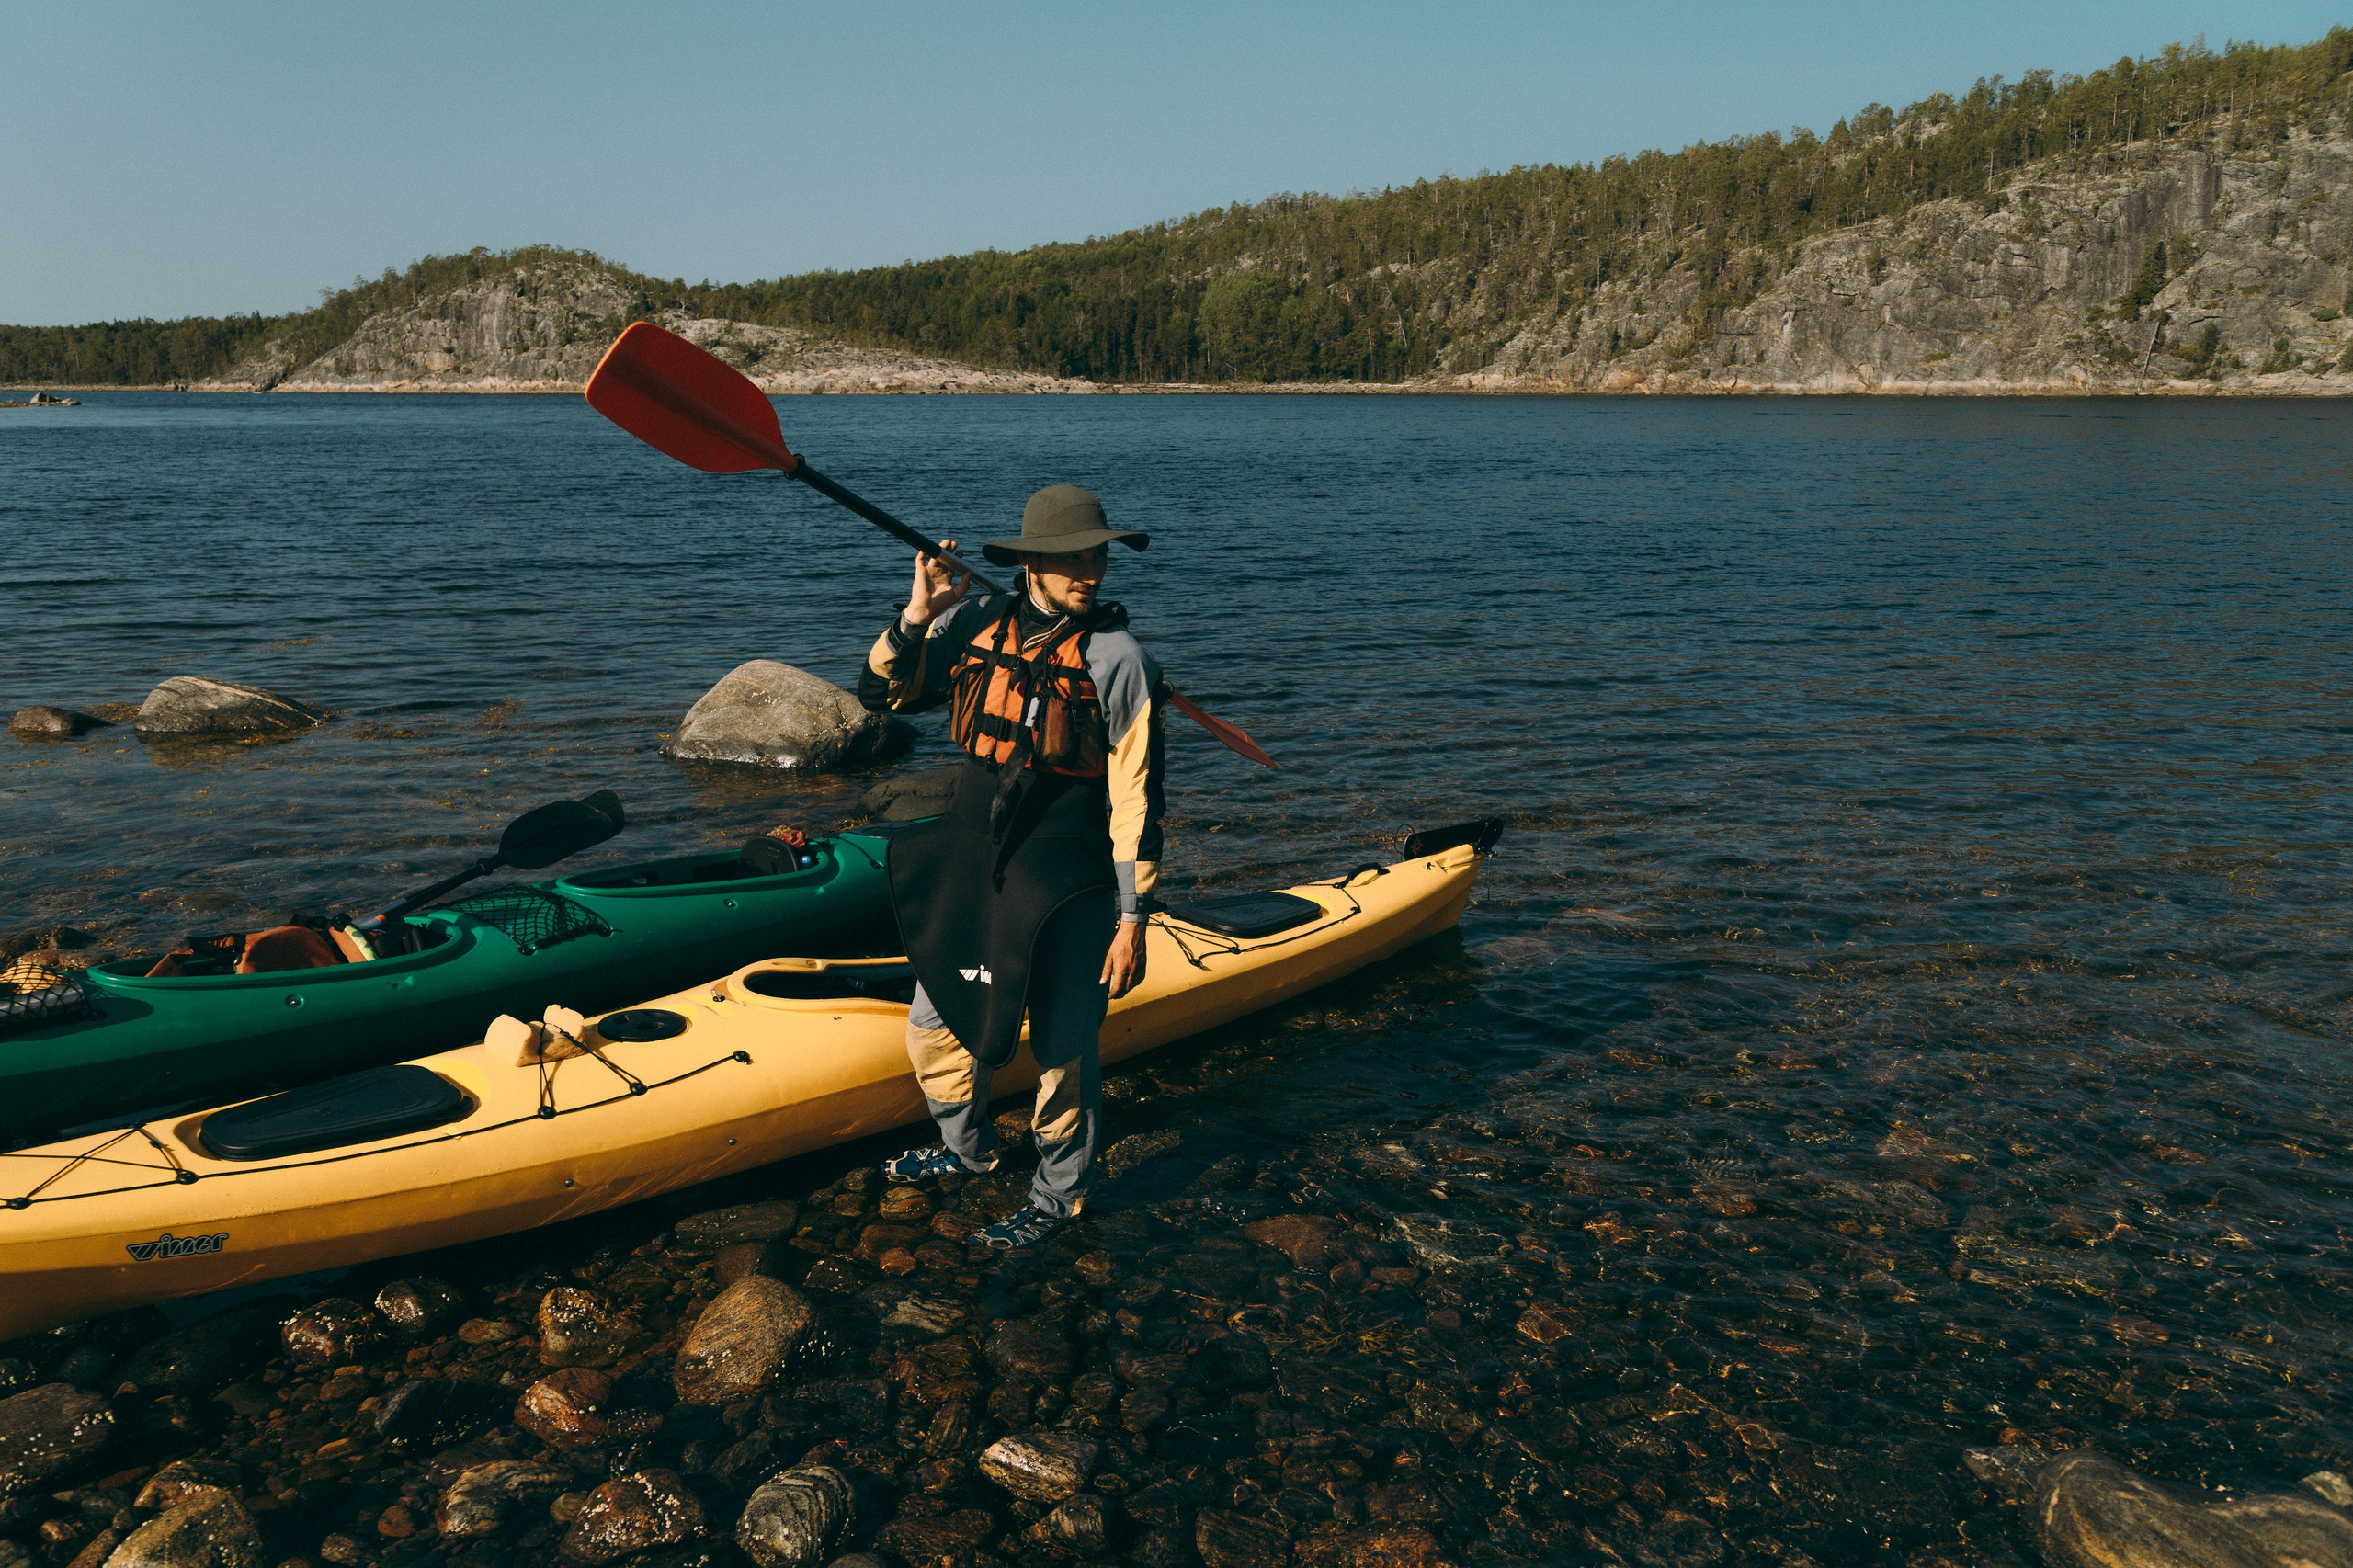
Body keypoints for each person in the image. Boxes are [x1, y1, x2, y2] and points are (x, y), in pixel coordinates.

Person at [857, 484, 1165, 1248]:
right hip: (975, 861)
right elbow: (883, 693)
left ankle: (1057, 1199)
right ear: (1030, 563)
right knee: (934, 1027)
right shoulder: (972, 623)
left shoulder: (1120, 659)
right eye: (1069, 558)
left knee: (1062, 1052)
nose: (1088, 571)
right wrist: (919, 613)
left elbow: (1136, 800)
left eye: (1095, 555)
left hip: (1065, 879)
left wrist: (1133, 919)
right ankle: (969, 1151)